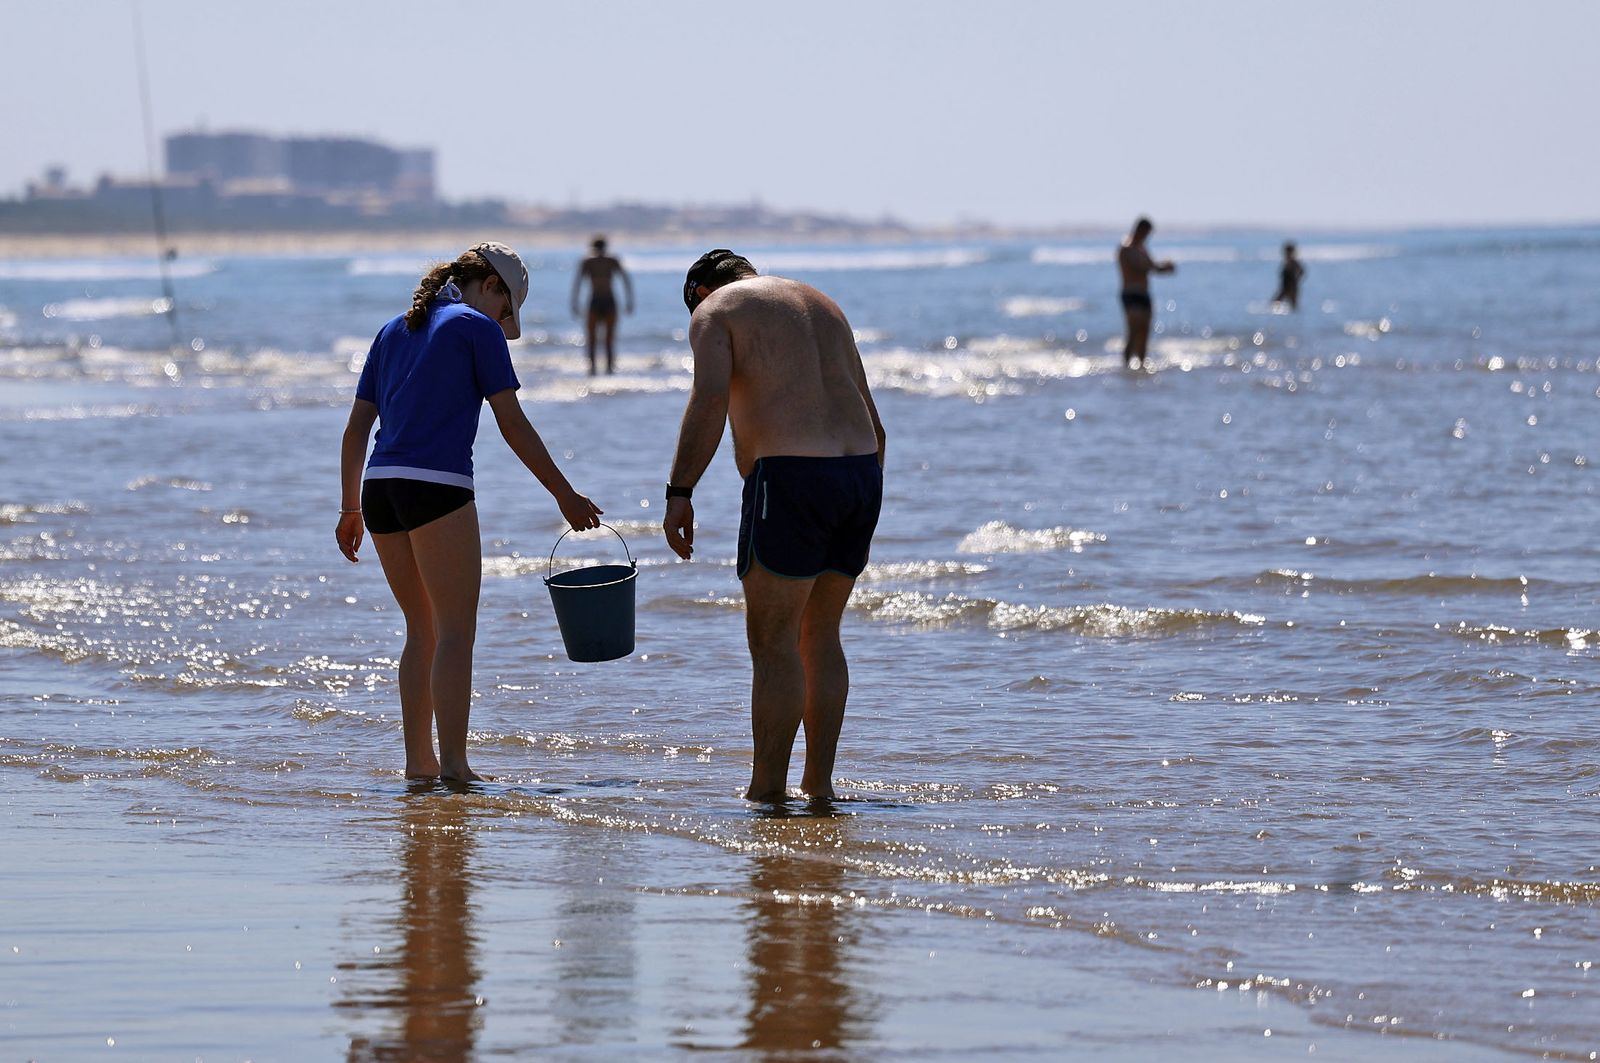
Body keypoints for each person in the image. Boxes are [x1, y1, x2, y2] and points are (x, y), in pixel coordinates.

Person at [337, 242, 603, 783]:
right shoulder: (475, 329)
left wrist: (348, 508)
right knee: (456, 631)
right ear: (490, 285)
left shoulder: (393, 330)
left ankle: (420, 765)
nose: (504, 323)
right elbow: (513, 423)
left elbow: (356, 429)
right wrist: (564, 494)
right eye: (506, 310)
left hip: (379, 486)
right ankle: (456, 765)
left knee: (421, 630)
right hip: (436, 484)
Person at [662, 250, 886, 803]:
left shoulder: (715, 310)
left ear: (699, 290)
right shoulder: (822, 304)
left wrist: (679, 491)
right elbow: (874, 421)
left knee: (774, 642)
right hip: (859, 473)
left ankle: (767, 790)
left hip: (792, 477)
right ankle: (819, 784)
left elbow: (710, 398)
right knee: (822, 634)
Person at [569, 235, 634, 375]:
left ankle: (602, 370)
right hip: (606, 301)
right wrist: (629, 301)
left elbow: (577, 284)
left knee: (601, 339)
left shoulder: (593, 261)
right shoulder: (604, 261)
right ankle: (600, 369)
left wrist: (575, 302)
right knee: (602, 339)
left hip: (598, 301)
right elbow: (626, 280)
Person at [1117, 216, 1176, 368]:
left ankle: (1141, 366)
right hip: (1131, 293)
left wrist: (1166, 268)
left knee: (1144, 333)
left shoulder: (1142, 249)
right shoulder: (1126, 247)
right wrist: (1155, 267)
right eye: (1145, 233)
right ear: (1139, 230)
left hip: (1144, 294)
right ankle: (1126, 365)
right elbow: (1139, 267)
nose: (1146, 237)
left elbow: (1152, 267)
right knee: (1133, 331)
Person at [1273, 241, 1305, 311]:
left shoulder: (1294, 262)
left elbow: (1302, 272)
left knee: (1293, 306)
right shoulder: (1285, 262)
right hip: (1284, 287)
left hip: (1292, 288)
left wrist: (1296, 280)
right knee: (1275, 303)